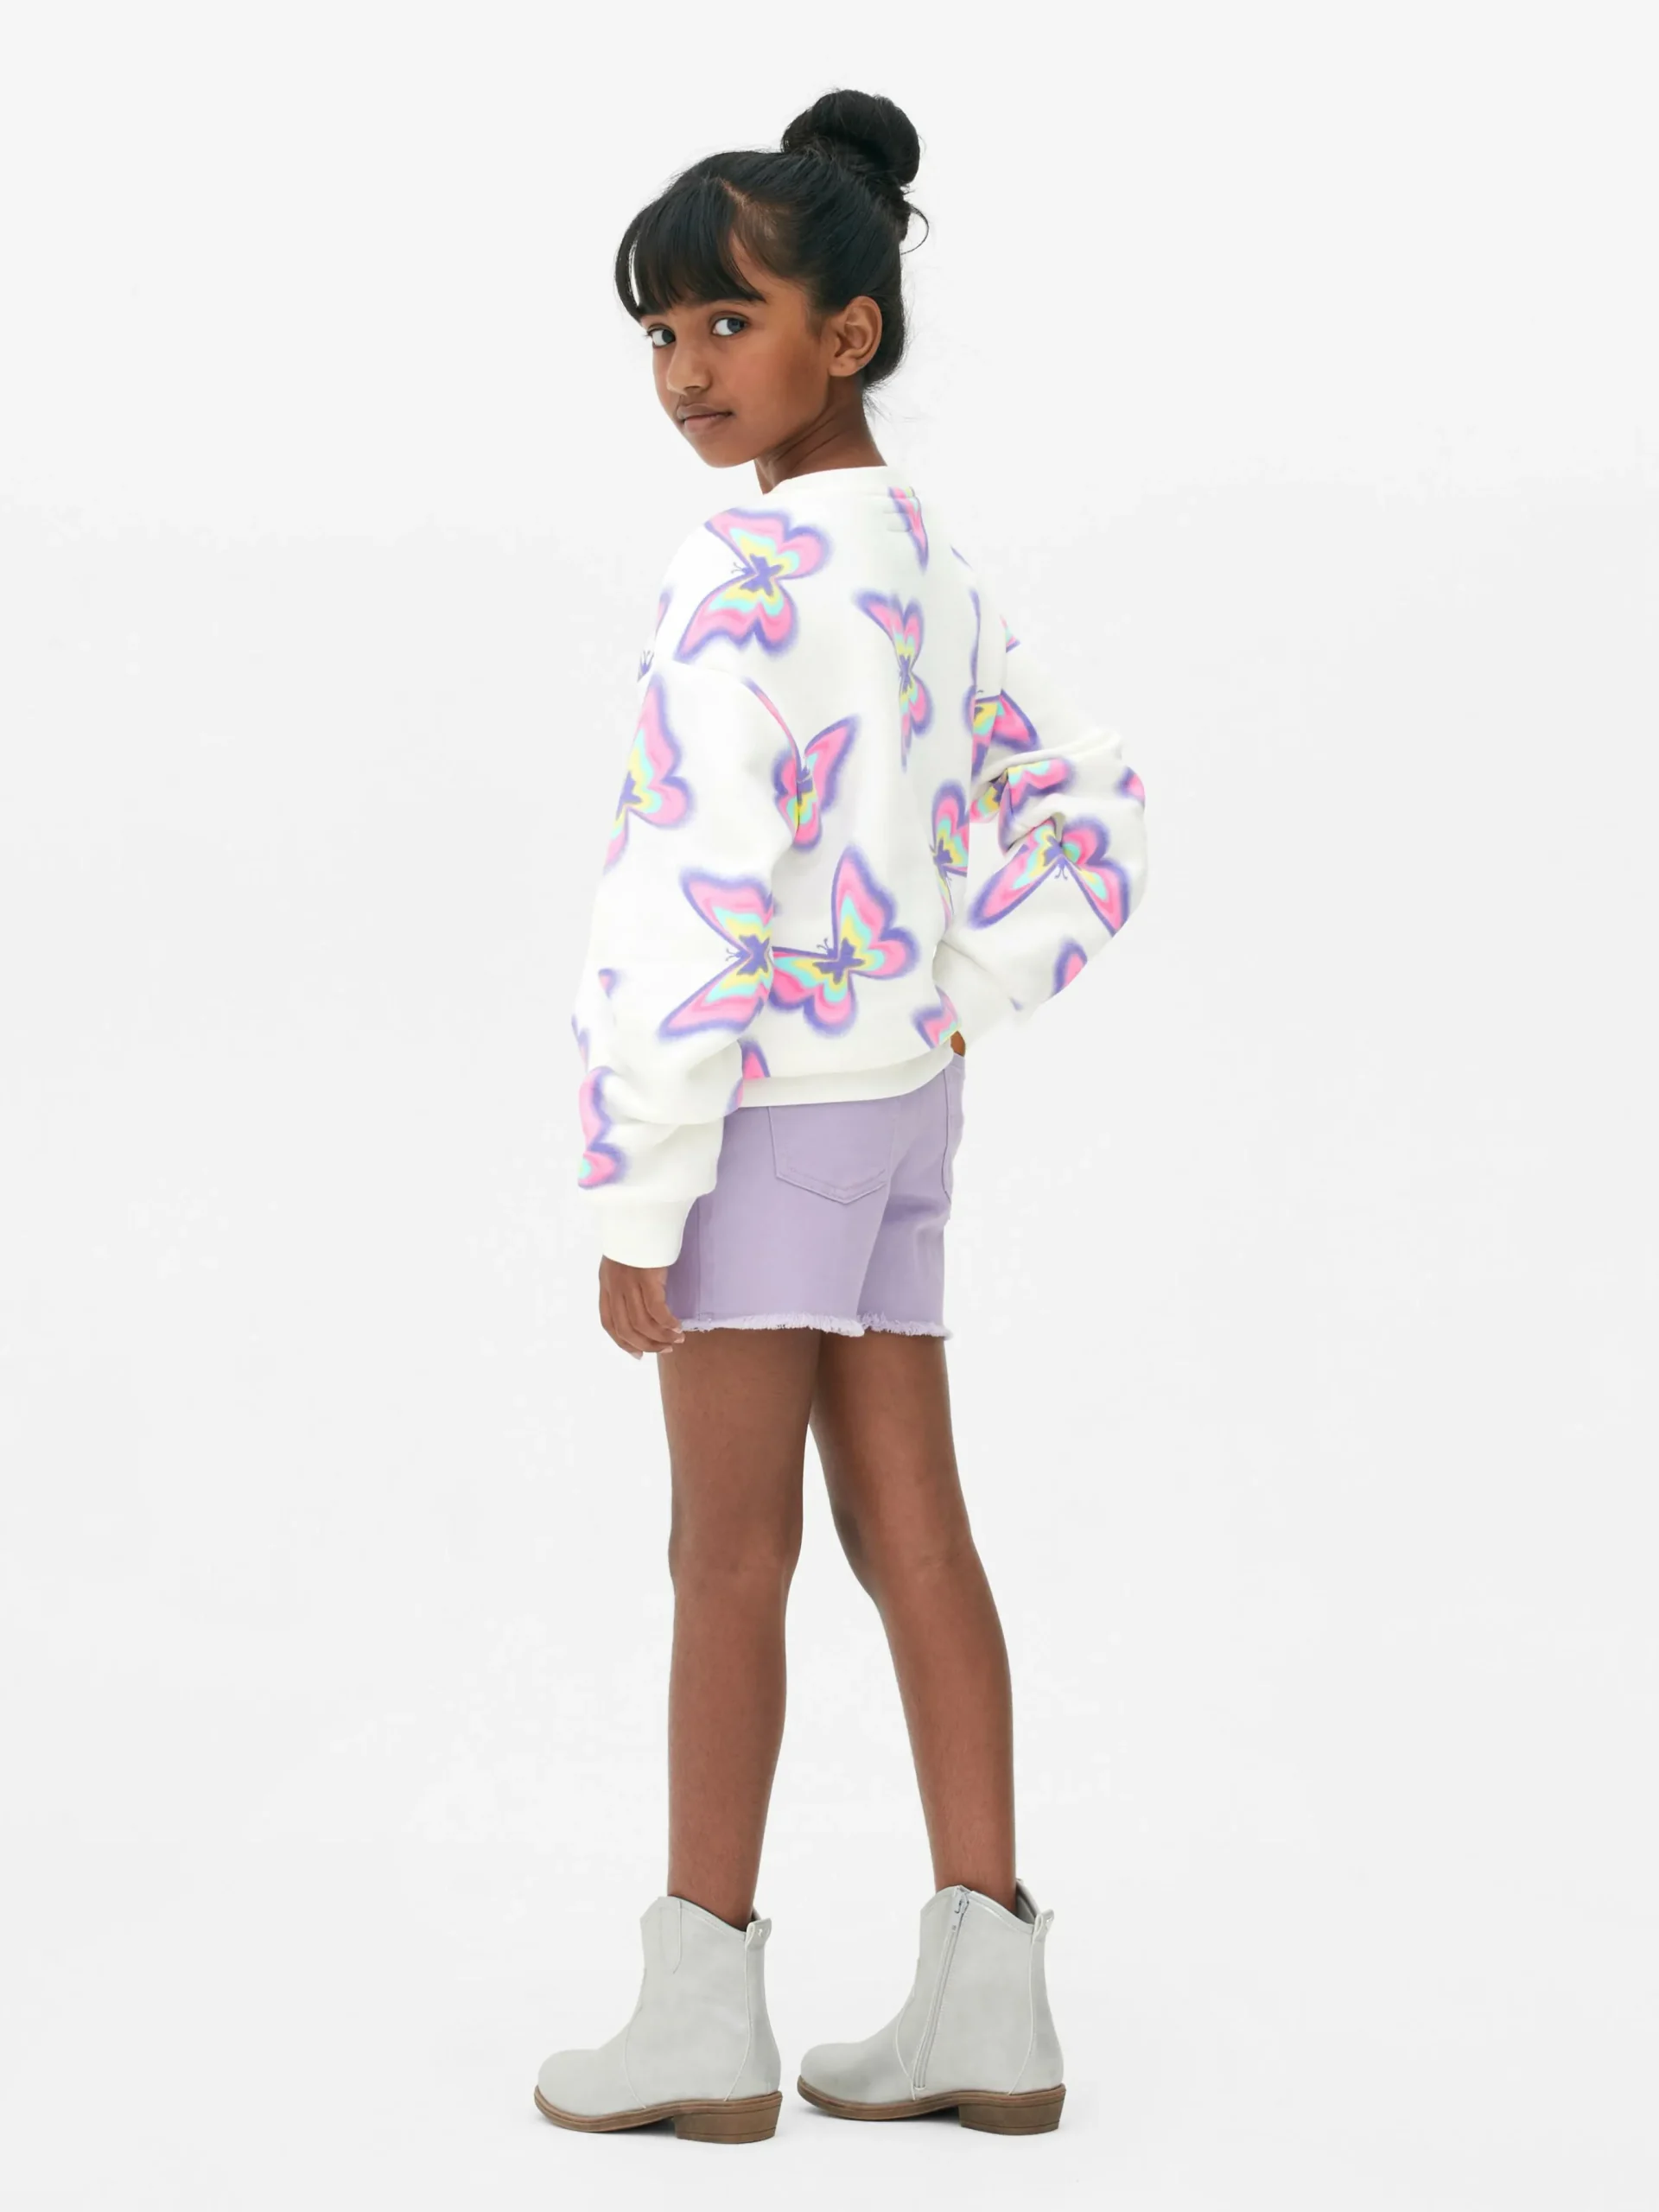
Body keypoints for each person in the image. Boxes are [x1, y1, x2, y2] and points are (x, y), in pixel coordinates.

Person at [537, 86, 1149, 2145]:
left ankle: (702, 2007)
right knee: (914, 1530)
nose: (685, 371)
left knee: (728, 1550)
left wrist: (639, 1182)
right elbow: (1092, 805)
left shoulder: (743, 571)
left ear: (849, 331)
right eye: (662, 332)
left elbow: (685, 884)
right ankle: (992, 1994)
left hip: (762, 1116)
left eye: (729, 322)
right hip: (899, 1116)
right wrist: (957, 992)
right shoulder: (924, 557)